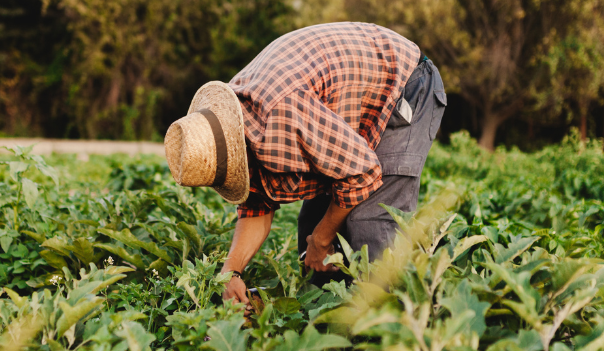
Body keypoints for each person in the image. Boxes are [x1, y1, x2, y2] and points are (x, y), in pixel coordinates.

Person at [163, 22, 446, 306]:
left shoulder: (279, 114)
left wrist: (322, 240)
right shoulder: (239, 120)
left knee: (370, 225)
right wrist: (231, 272)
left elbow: (362, 173)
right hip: (343, 107)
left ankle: (388, 328)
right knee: (312, 223)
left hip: (404, 85)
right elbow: (256, 205)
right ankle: (329, 321)